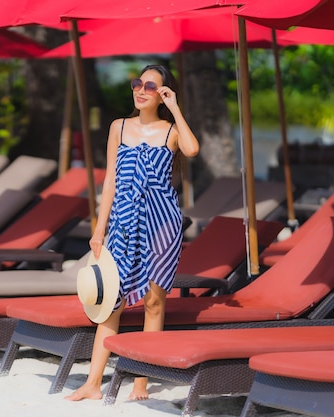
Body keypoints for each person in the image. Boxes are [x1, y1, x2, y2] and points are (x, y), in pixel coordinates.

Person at [65, 64, 200, 402]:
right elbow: (109, 180)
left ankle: (141, 380)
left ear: (163, 93)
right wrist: (99, 229)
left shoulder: (170, 131)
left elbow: (193, 149)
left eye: (151, 87)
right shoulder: (118, 127)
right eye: (137, 83)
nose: (141, 90)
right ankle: (93, 383)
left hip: (162, 224)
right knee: (111, 301)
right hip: (123, 223)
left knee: (154, 303)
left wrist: (175, 108)